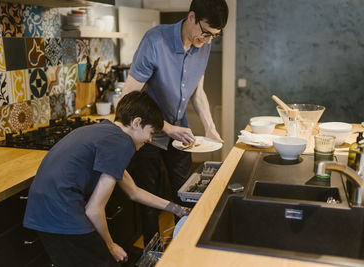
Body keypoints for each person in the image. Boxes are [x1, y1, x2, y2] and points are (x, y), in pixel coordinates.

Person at [23, 91, 190, 267]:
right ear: (136, 122)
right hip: (61, 210)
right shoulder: (122, 143)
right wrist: (110, 246)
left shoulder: (106, 132)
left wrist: (176, 209)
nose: (149, 139)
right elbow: (94, 209)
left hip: (43, 209)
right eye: (151, 132)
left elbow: (133, 191)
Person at [122, 0, 229, 246]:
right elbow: (129, 97)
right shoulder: (155, 40)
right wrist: (167, 128)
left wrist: (210, 127)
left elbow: (198, 92)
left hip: (179, 131)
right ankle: (153, 255)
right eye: (206, 33)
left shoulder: (203, 44)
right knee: (150, 202)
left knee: (185, 194)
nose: (209, 40)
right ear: (192, 17)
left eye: (215, 36)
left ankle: (182, 250)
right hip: (147, 132)